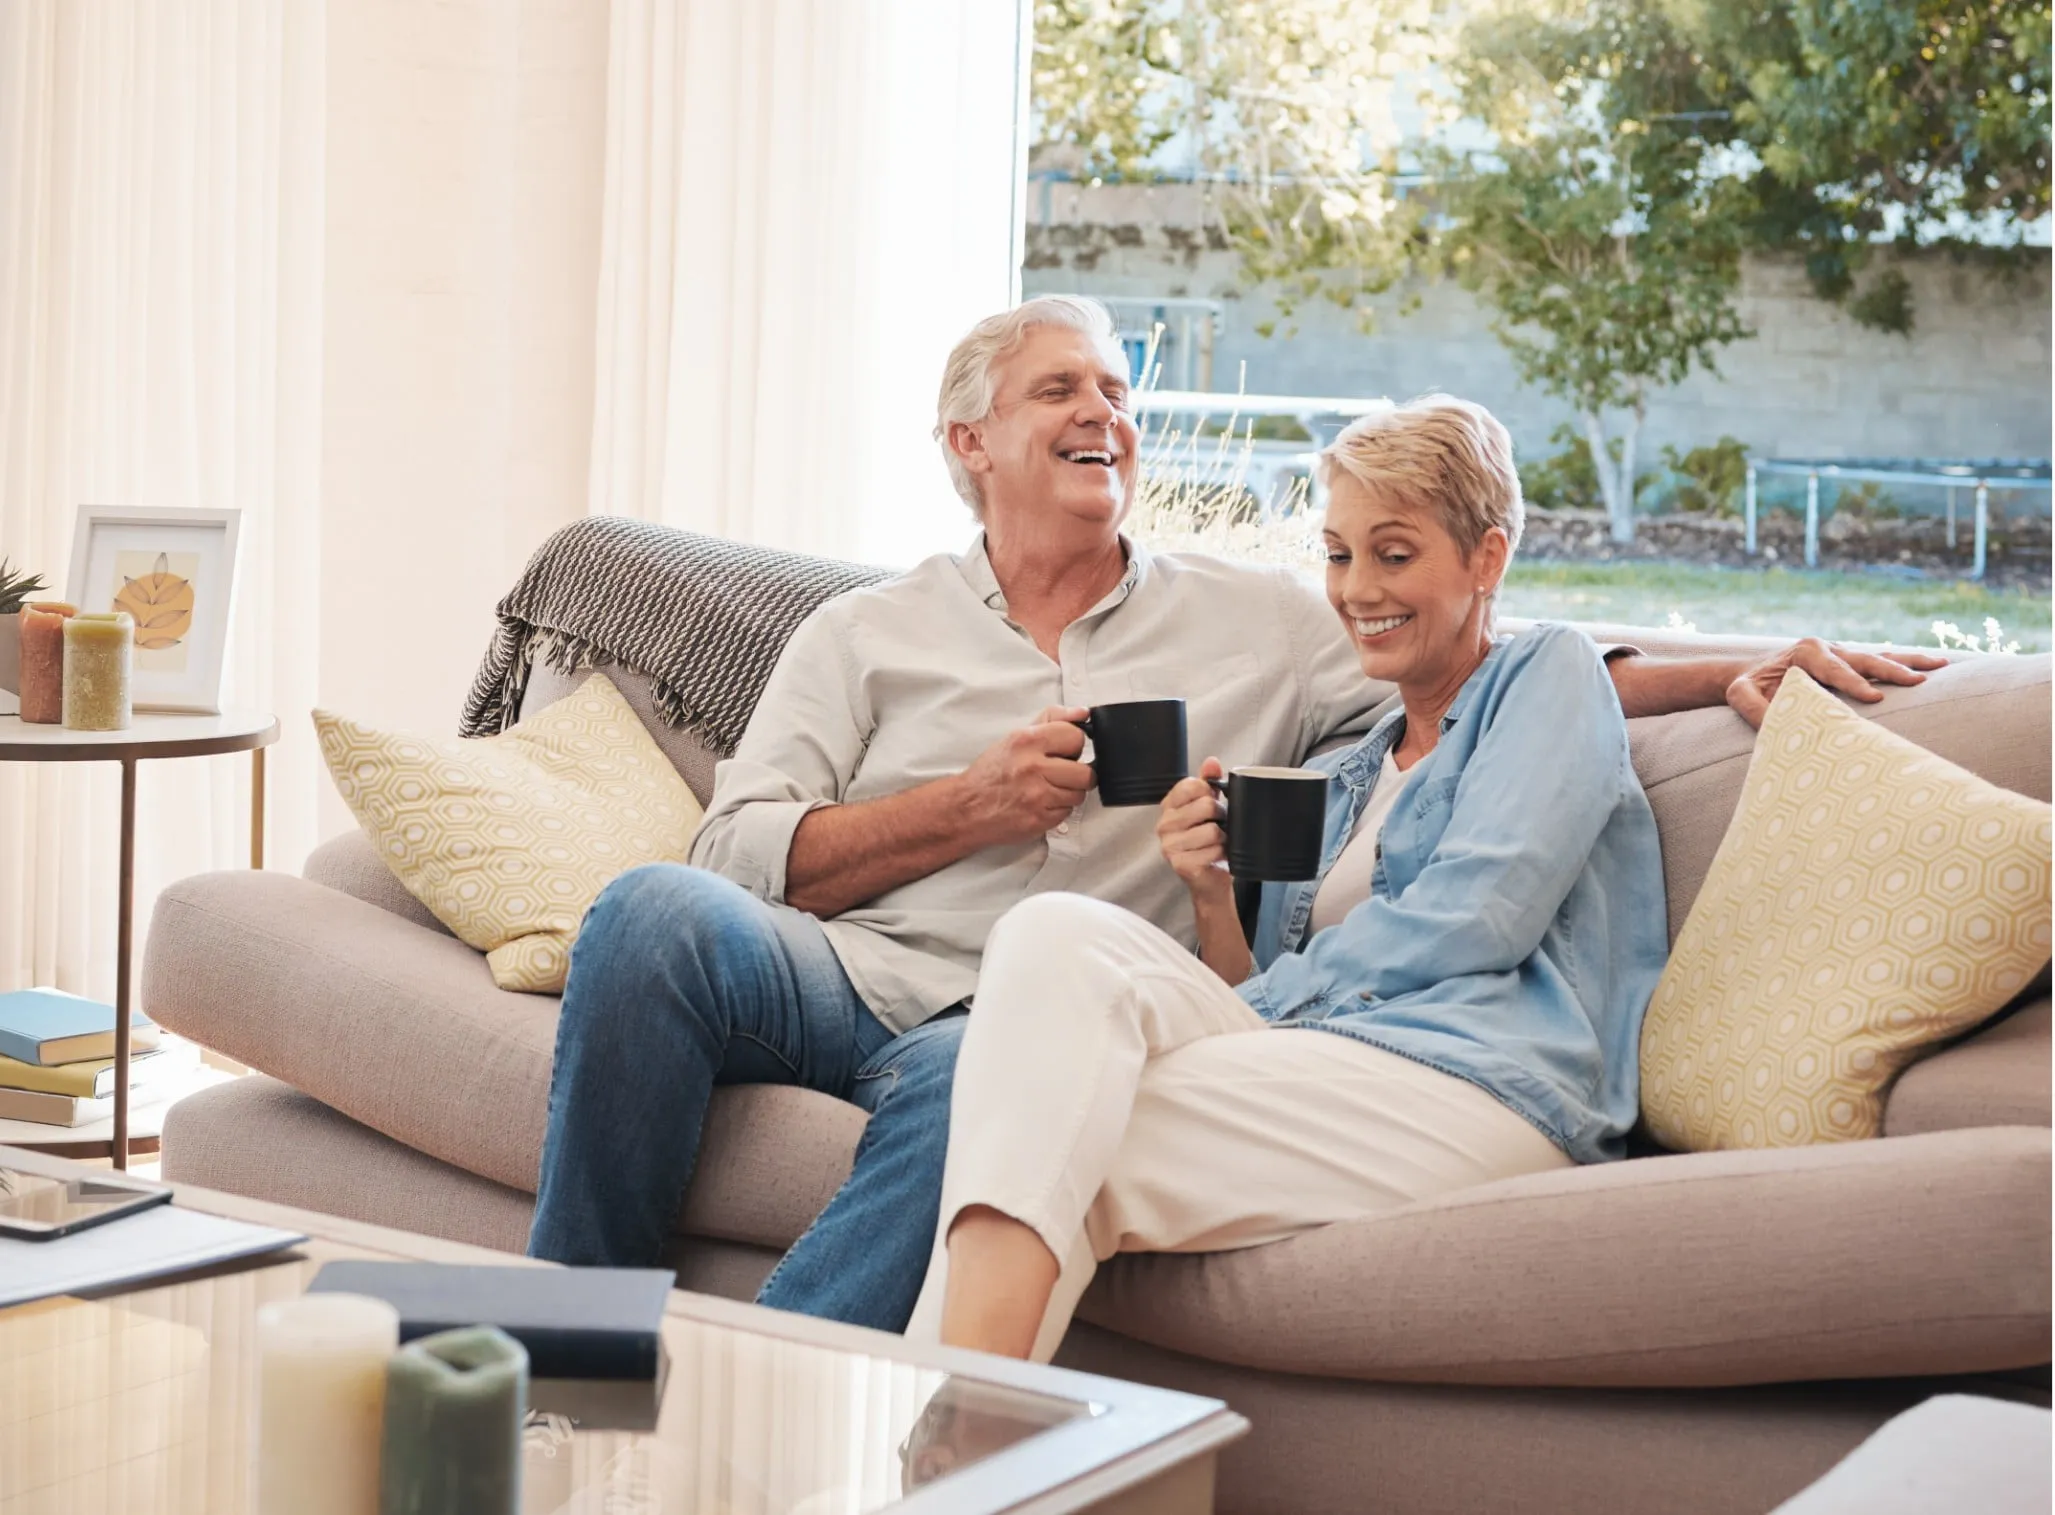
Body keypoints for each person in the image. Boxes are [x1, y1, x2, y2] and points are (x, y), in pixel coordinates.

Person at [527, 296, 1939, 1334]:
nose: (1104, 412)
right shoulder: (863, 631)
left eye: (1116, 390)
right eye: (1058, 389)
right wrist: (964, 807)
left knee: (1003, 1085)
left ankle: (777, 1396)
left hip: (1016, 1019)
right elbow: (735, 853)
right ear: (969, 441)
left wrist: (1725, 670)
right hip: (848, 972)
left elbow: (1469, 657)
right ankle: (571, 1344)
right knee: (651, 911)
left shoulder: (1263, 622)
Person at [907, 396, 1694, 1360]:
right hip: (1332, 1071)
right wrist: (1210, 891)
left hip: (1490, 1085)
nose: (1356, 588)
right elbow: (1263, 992)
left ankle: (918, 1429)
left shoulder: (1547, 674)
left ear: (1485, 559)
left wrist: (1266, 1009)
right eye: (1337, 553)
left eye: (1392, 554)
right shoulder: (1342, 774)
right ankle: (946, 1435)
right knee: (1043, 1060)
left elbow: (1478, 915)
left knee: (1042, 1095)